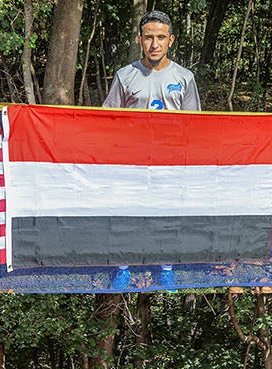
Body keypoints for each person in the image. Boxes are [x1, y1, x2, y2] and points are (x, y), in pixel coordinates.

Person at [103, 10, 200, 292]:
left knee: (166, 215)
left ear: (171, 40)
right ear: (139, 40)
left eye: (160, 37)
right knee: (126, 215)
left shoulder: (185, 77)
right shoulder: (125, 75)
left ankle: (165, 268)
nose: (154, 44)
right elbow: (108, 120)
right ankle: (123, 268)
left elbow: (194, 124)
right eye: (148, 38)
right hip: (131, 162)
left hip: (169, 162)